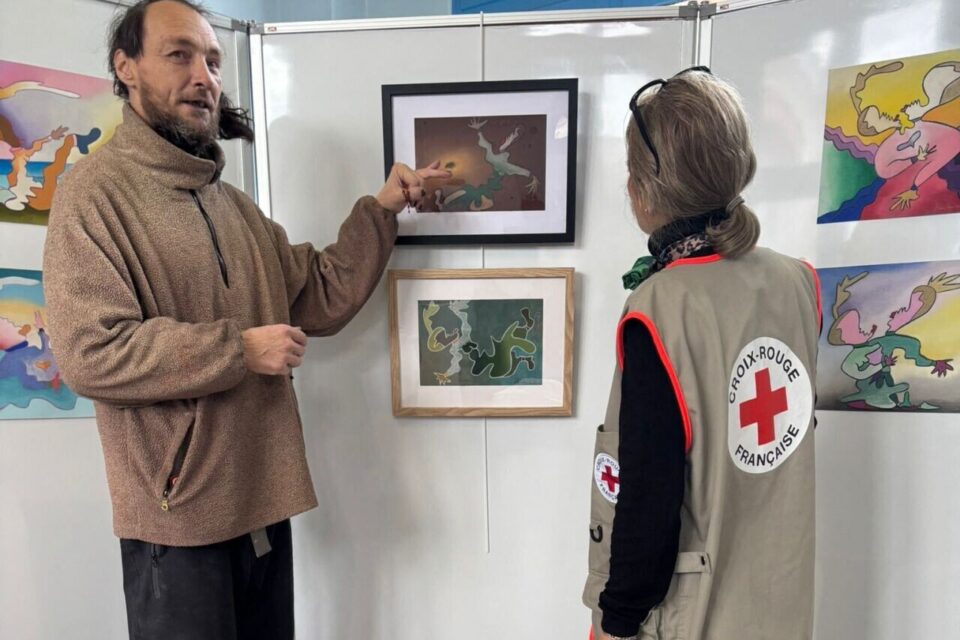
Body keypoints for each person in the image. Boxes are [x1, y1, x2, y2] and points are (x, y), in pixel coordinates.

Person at [41, 1, 448, 638]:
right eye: (179, 54)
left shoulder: (233, 206)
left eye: (211, 59)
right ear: (126, 67)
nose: (203, 76)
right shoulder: (93, 194)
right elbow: (89, 351)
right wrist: (237, 350)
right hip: (177, 527)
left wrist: (383, 208)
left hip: (261, 506)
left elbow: (319, 292)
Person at [583, 68, 821, 639]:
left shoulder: (660, 308)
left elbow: (648, 497)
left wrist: (616, 620)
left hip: (694, 614)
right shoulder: (800, 282)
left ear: (645, 191)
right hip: (780, 604)